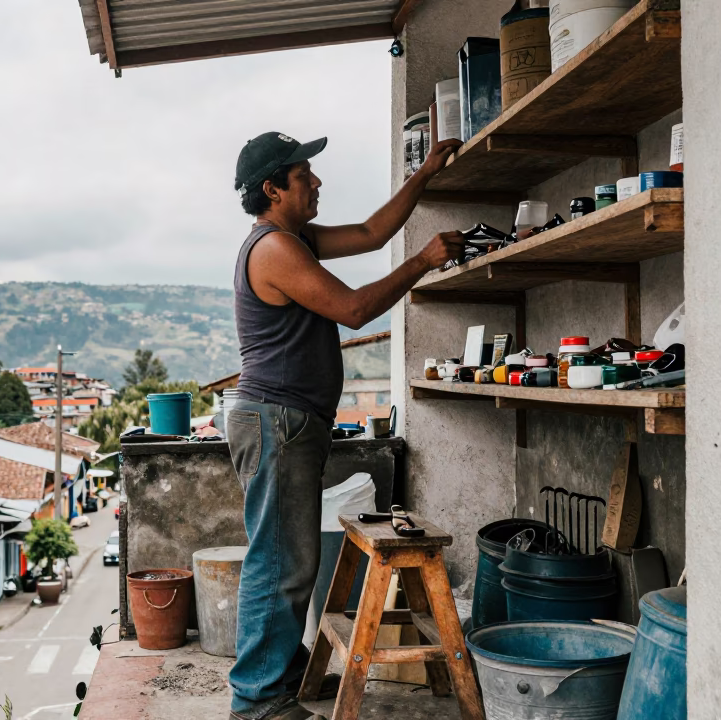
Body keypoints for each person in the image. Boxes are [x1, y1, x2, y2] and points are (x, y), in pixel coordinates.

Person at [226, 131, 463, 720]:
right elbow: (355, 309)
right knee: (279, 563)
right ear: (272, 188)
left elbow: (370, 233)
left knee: (290, 559)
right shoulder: (274, 248)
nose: (317, 182)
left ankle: (275, 679)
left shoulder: (294, 239)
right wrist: (423, 261)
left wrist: (425, 173)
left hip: (288, 422)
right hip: (276, 421)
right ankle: (257, 701)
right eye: (304, 175)